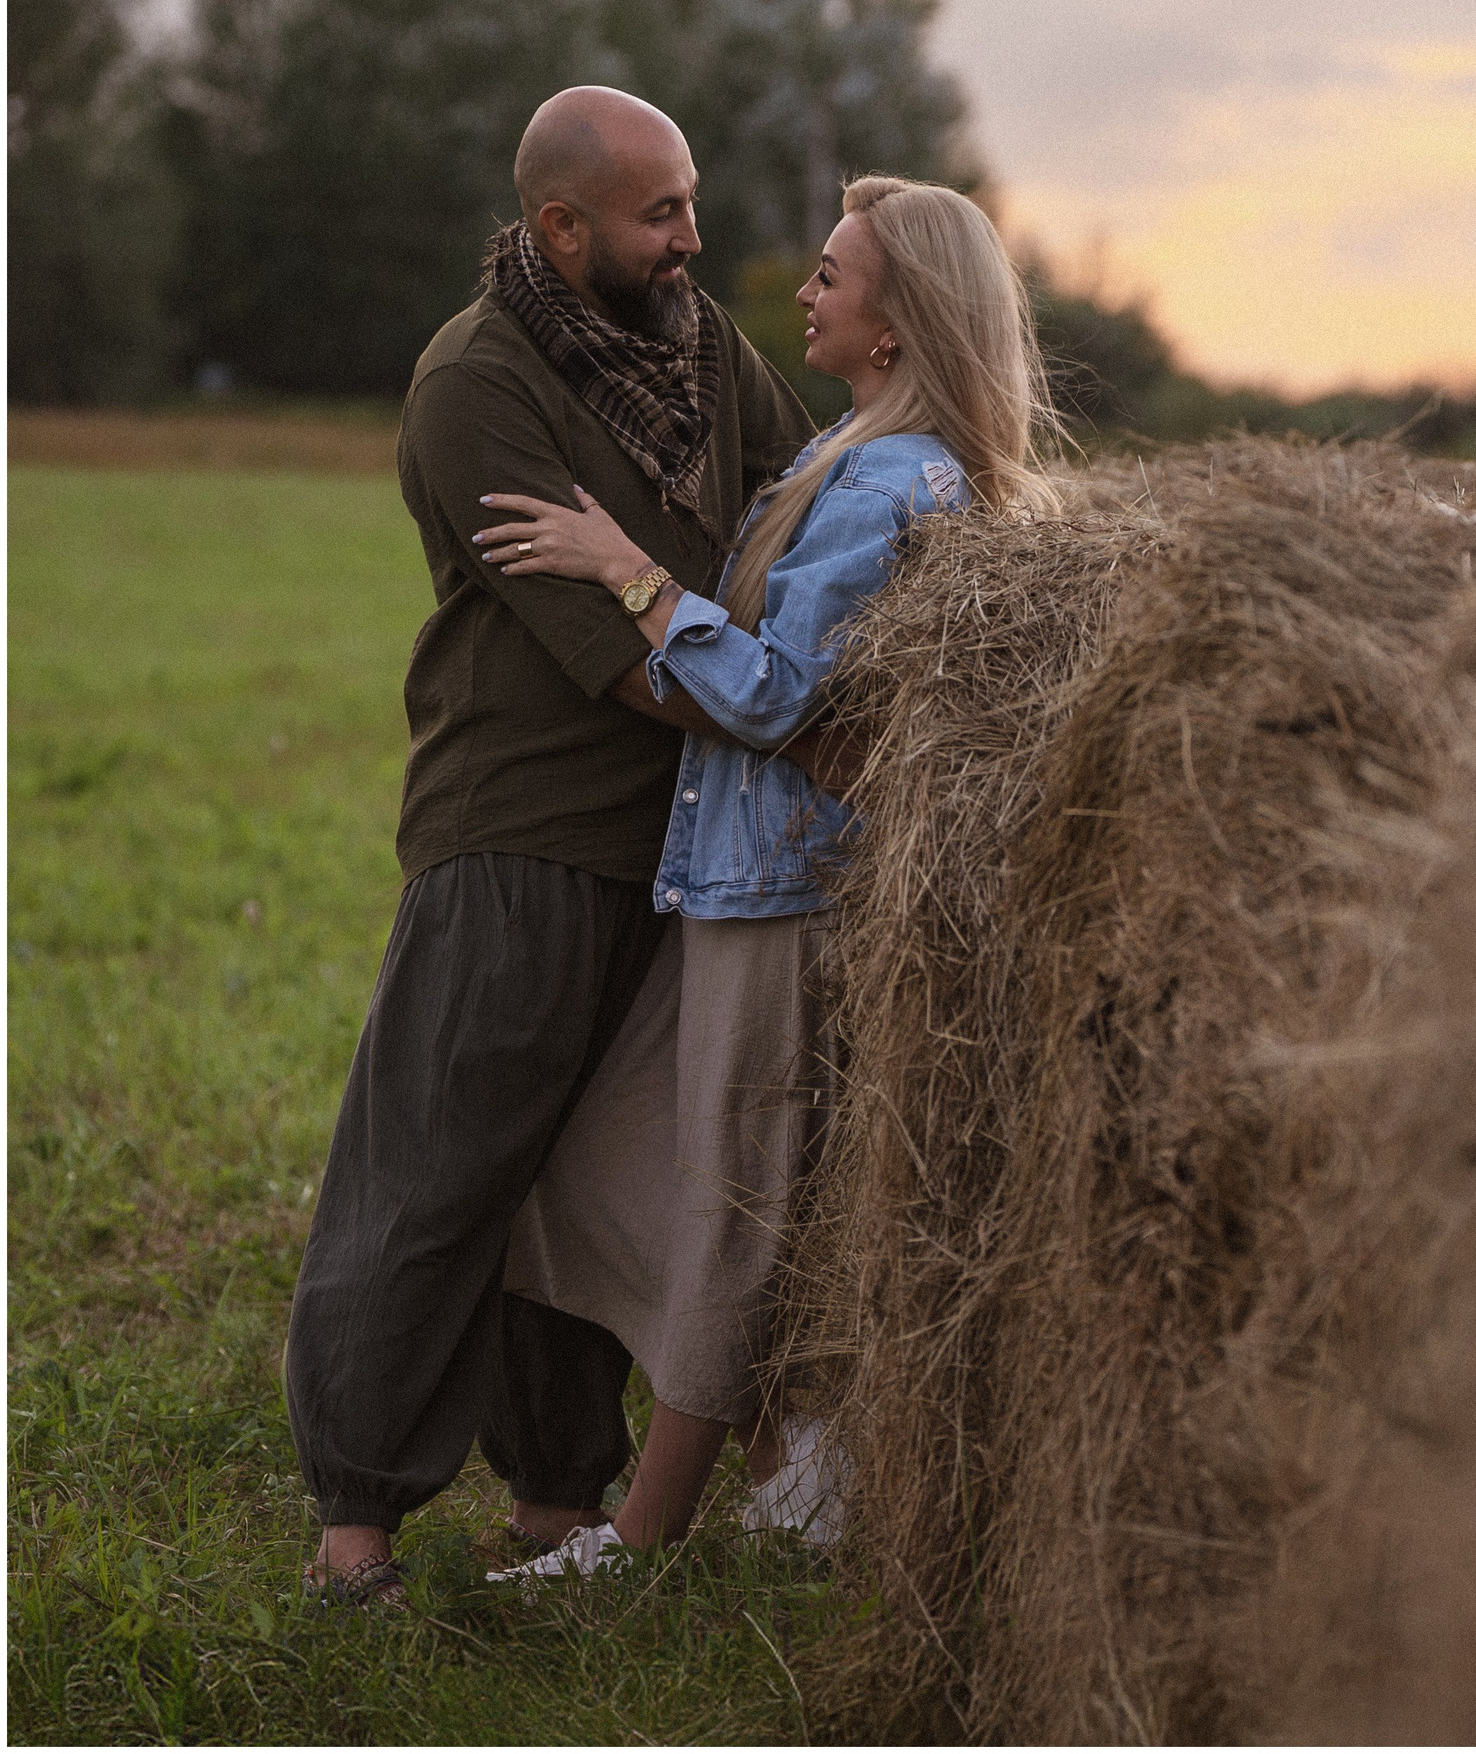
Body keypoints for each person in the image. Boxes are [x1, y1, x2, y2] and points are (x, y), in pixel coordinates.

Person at [468, 173, 1057, 1575]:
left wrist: (627, 573)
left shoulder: (890, 481)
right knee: (610, 1162)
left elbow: (780, 691)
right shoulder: (858, 452)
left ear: (898, 322)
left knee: (731, 1204)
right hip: (742, 881)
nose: (804, 290)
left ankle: (640, 1541)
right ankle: (800, 1461)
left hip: (786, 893)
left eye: (833, 275)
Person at [284, 85, 814, 1608]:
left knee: (580, 1180)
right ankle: (355, 1526)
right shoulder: (476, 383)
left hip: (685, 836)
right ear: (561, 226)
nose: (691, 238)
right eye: (661, 214)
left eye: (691, 201)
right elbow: (629, 658)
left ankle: (555, 1496)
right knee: (439, 1167)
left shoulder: (700, 348)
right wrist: (777, 693)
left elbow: (802, 506)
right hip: (520, 830)